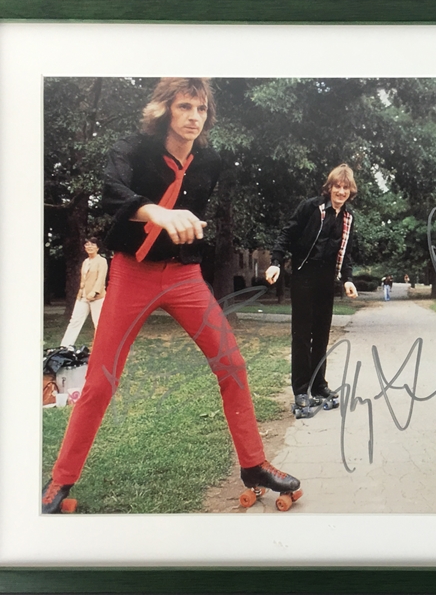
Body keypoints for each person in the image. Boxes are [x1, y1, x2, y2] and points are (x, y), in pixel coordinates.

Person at [42, 78, 300, 513]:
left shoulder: (210, 161)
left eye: (201, 109)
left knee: (232, 363)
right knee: (101, 381)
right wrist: (156, 211)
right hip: (130, 273)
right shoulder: (134, 149)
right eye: (185, 107)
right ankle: (60, 482)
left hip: (183, 277)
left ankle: (254, 464)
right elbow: (111, 192)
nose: (194, 117)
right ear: (166, 109)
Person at [265, 164, 359, 419]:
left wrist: (347, 279)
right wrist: (275, 261)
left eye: (345, 187)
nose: (341, 191)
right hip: (305, 275)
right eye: (337, 186)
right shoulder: (311, 207)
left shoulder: (348, 218)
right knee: (302, 334)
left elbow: (346, 253)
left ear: (351, 191)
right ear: (329, 188)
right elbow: (287, 233)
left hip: (327, 279)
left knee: (322, 334)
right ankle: (301, 389)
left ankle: (319, 384)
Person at [60, 238, 108, 347]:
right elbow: (83, 279)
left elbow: (101, 278)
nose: (89, 247)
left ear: (98, 247)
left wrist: (94, 292)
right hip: (82, 297)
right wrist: (81, 293)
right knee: (74, 321)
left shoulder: (102, 261)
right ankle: (65, 346)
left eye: (92, 244)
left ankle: (102, 348)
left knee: (99, 323)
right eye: (87, 244)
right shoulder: (86, 262)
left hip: (97, 298)